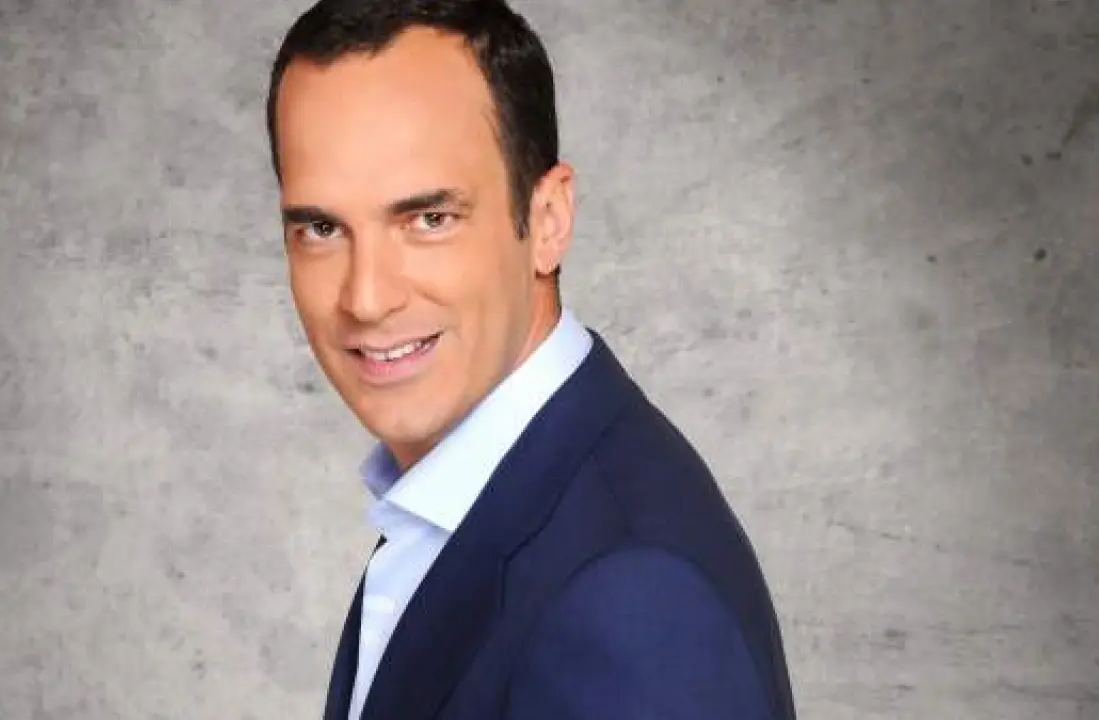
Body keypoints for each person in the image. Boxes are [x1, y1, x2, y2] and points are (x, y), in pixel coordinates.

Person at [264, 1, 796, 718]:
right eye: (322, 229)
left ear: (548, 222)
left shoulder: (630, 599)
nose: (366, 298)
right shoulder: (471, 502)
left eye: (429, 220)